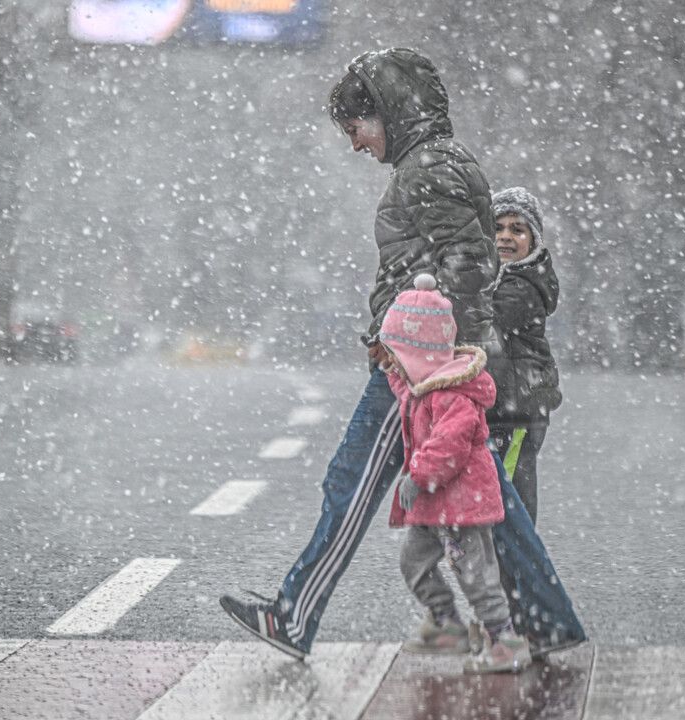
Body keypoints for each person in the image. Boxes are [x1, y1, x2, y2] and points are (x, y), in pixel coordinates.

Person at [218, 47, 499, 660]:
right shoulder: (433, 164)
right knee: (485, 500)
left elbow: (470, 268)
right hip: (430, 366)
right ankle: (536, 621)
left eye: (356, 128)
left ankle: (294, 617)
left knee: (352, 484)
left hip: (420, 373)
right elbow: (456, 266)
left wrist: (425, 346)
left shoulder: (427, 169)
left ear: (388, 110)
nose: (355, 144)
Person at [383, 274, 532, 673]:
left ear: (418, 354)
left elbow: (448, 448)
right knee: (414, 562)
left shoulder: (453, 396)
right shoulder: (421, 387)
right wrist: (392, 367)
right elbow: (403, 387)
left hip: (462, 504)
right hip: (435, 507)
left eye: (398, 353)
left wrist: (416, 477)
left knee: (476, 575)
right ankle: (446, 622)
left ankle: (505, 639)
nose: (394, 362)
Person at [485, 187, 561, 524]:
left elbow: (487, 321)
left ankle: (522, 572)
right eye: (498, 228)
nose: (505, 237)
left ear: (534, 239)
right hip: (501, 408)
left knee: (510, 501)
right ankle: (504, 569)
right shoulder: (500, 277)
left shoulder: (523, 286)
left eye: (517, 229)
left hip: (517, 410)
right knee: (496, 494)